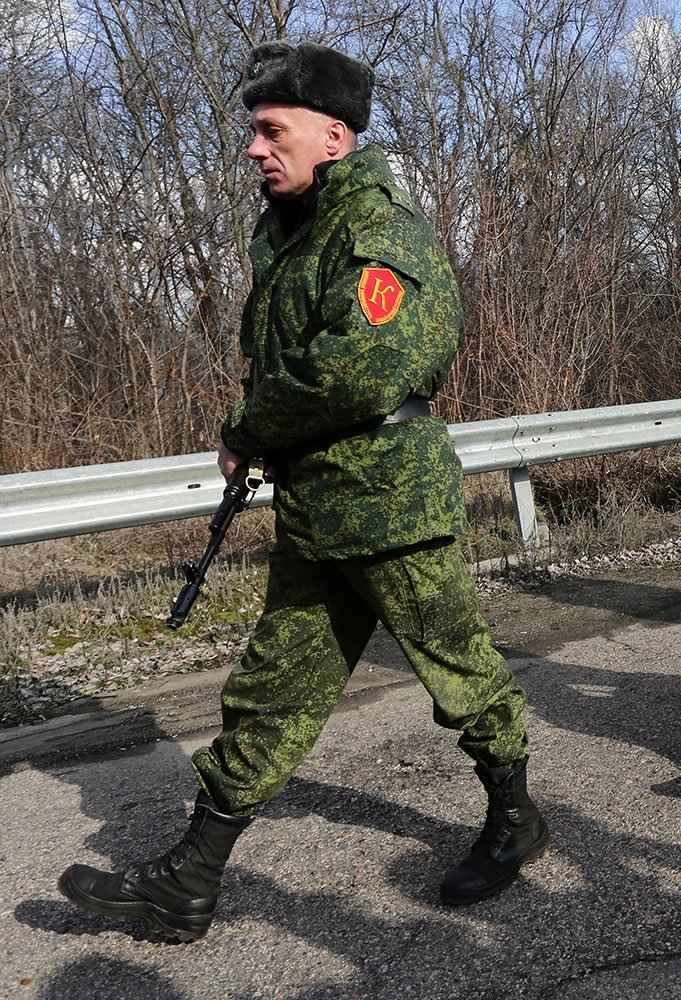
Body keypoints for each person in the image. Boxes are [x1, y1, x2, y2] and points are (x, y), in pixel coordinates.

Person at [56, 41, 547, 942]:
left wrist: (251, 428)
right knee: (271, 691)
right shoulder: (292, 232)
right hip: (320, 508)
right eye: (252, 131)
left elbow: (367, 364)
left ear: (333, 134)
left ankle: (517, 820)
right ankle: (188, 883)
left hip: (390, 506)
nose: (253, 148)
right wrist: (272, 438)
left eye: (270, 130)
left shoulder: (377, 231)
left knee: (461, 676)